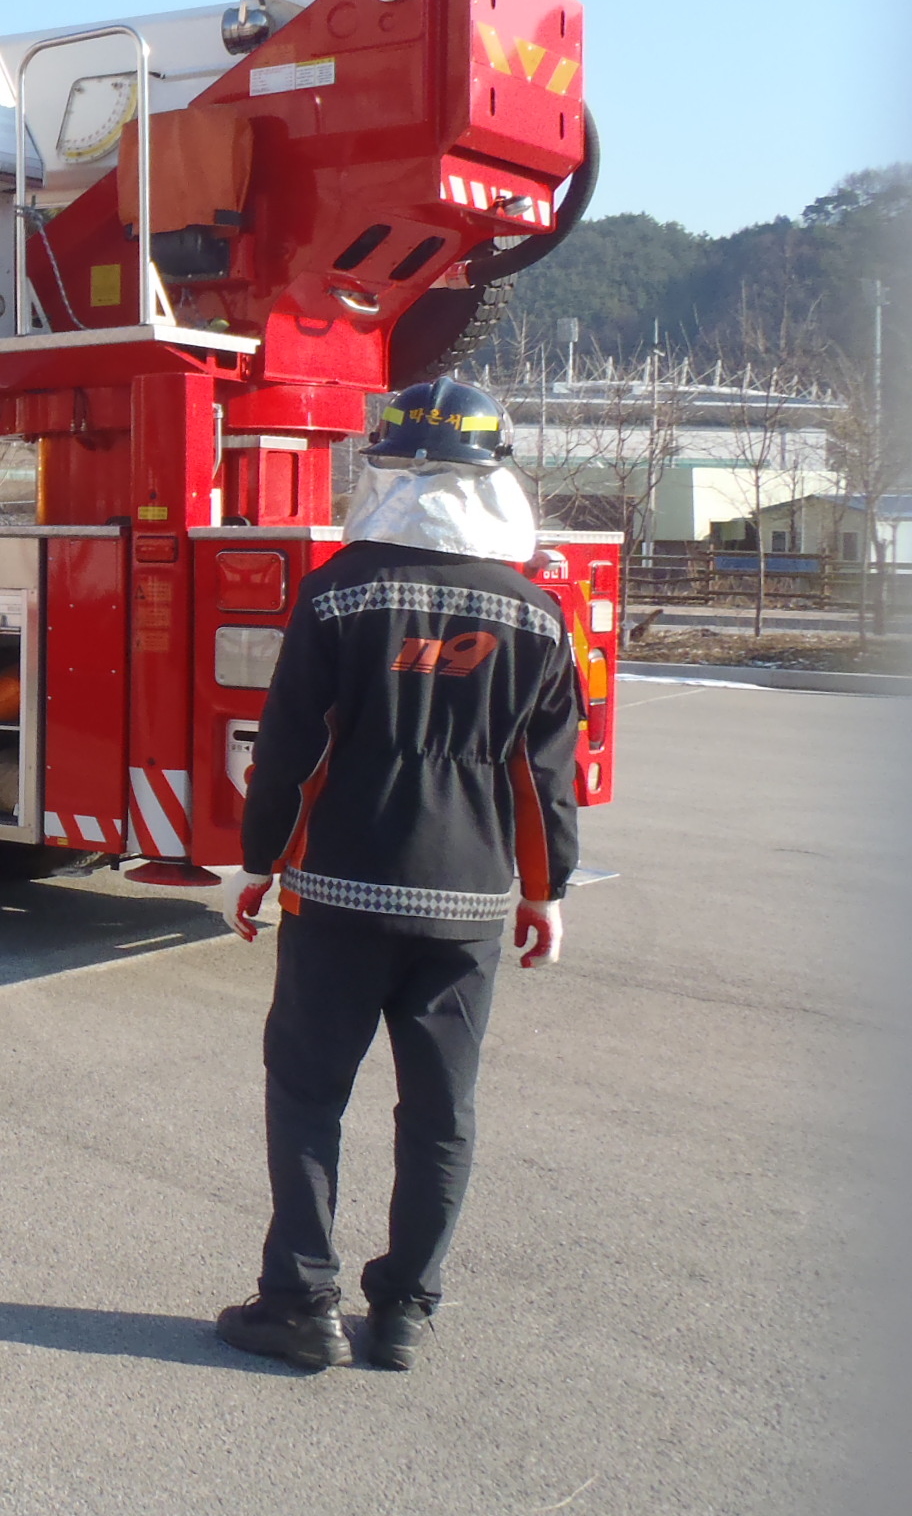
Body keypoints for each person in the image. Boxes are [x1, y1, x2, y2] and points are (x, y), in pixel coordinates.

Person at [217, 375, 580, 1373]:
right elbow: (544, 778)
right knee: (439, 1114)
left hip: (337, 891)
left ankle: (300, 1306)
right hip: (467, 907)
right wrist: (544, 894)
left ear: (386, 470)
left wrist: (256, 865)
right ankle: (407, 1311)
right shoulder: (538, 616)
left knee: (306, 1096)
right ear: (493, 479)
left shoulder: (337, 592)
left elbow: (289, 752)